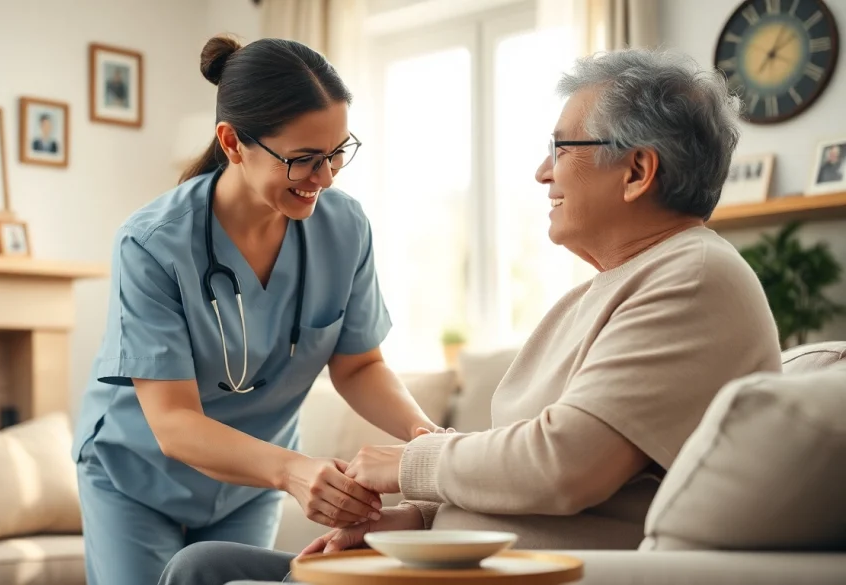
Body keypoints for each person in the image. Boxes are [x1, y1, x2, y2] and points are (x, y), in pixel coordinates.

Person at [159, 47, 785, 585]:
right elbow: (531, 481)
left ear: (637, 171)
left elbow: (564, 467)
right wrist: (406, 521)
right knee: (202, 564)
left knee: (203, 574)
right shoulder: (609, 289)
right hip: (462, 560)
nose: (543, 172)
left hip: (519, 573)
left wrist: (409, 464)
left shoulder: (692, 277)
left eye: (562, 148)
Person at [72, 35, 446, 585]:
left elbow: (359, 365)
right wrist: (293, 471)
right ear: (232, 142)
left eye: (337, 153)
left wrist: (428, 438)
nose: (326, 177)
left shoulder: (345, 227)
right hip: (137, 476)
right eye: (303, 159)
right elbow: (174, 422)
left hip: (249, 484)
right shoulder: (152, 243)